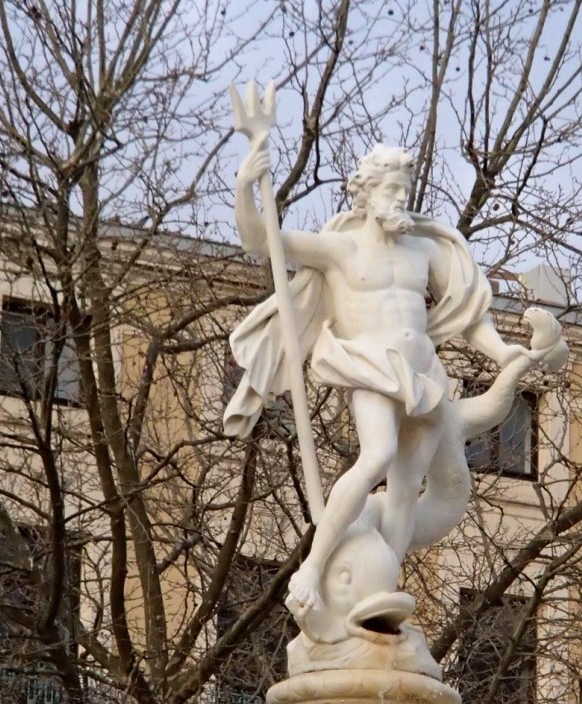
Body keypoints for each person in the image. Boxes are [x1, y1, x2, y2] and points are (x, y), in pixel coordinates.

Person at [225, 142, 530, 615]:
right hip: (369, 365)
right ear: (366, 194)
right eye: (390, 189)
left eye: (404, 190)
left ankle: (378, 586)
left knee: (406, 488)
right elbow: (260, 239)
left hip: (424, 374)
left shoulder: (424, 249)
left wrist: (501, 351)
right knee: (377, 455)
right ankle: (313, 566)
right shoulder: (340, 249)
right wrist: (247, 184)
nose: (400, 199)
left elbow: (472, 312)